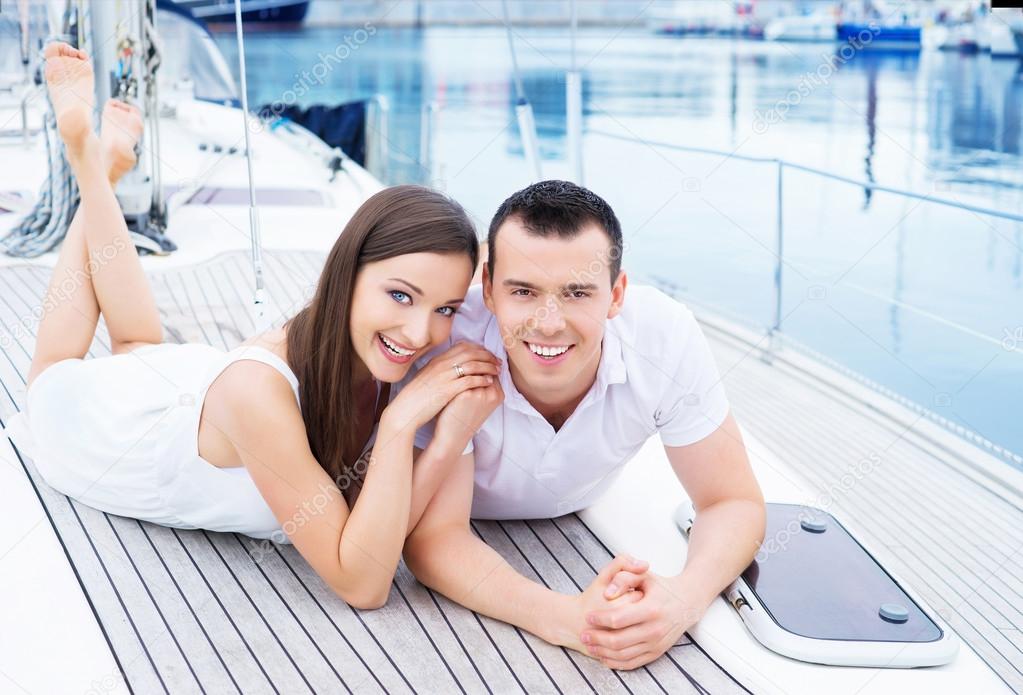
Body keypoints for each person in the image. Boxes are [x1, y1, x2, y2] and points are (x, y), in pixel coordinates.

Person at [7, 43, 501, 610]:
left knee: (138, 344)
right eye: (399, 295)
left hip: (193, 384)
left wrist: (447, 441)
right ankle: (85, 157)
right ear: (348, 276)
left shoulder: (374, 354)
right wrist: (399, 427)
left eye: (444, 309)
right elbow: (362, 582)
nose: (420, 333)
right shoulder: (265, 389)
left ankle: (107, 165)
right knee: (52, 371)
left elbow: (381, 536)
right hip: (114, 431)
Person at [402, 180, 766, 669]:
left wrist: (681, 602)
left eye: (576, 293)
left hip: (574, 511)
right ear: (487, 289)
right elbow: (433, 539)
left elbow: (732, 500)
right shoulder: (449, 339)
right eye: (524, 291)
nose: (549, 323)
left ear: (616, 294)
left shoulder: (664, 336)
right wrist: (571, 620)